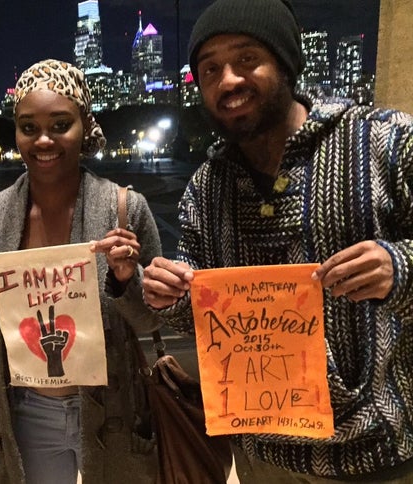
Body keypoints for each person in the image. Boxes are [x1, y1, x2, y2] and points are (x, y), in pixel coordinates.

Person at [141, 0, 413, 482]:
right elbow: (200, 313)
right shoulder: (207, 188)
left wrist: (401, 267)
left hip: (377, 455)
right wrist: (170, 294)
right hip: (261, 455)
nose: (228, 81)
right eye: (210, 69)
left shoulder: (385, 143)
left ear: (286, 63)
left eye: (247, 59)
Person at [0, 59, 162, 483]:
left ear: (85, 125)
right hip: (29, 410)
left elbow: (152, 318)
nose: (43, 139)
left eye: (60, 124)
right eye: (28, 127)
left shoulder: (124, 209)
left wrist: (126, 279)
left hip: (114, 406)